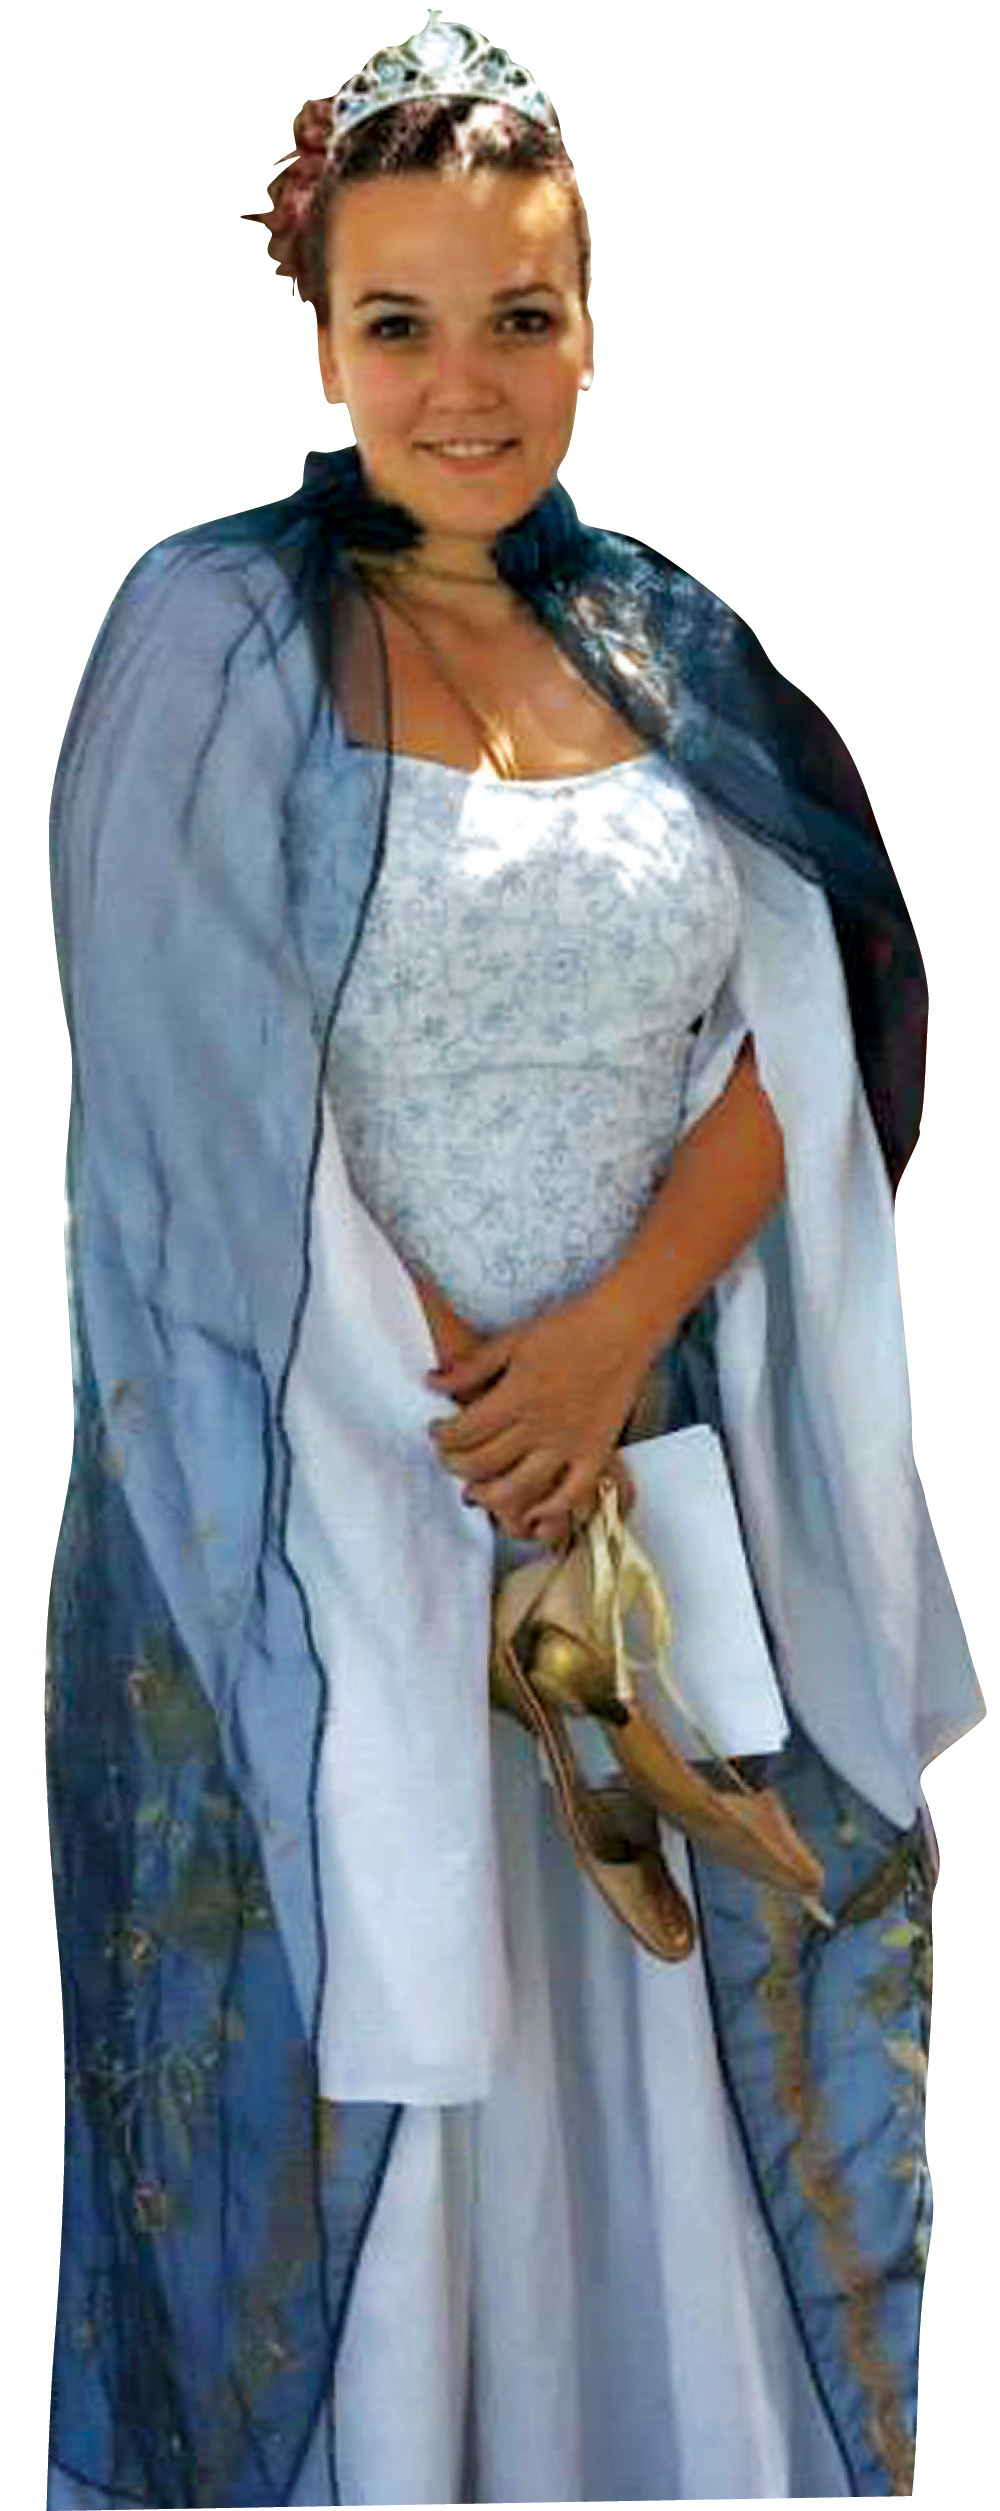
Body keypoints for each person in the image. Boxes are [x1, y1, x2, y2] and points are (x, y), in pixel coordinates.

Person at [44, 12, 986, 2504]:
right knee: (377, 2109)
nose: (463, 384)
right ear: (319, 337)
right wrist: (474, 1429)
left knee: (654, 2112)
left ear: (592, 325)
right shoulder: (215, 642)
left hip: (634, 1506)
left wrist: (608, 1351)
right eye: (401, 322)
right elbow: (190, 1107)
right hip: (330, 1510)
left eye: (520, 316)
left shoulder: (667, 648)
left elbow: (812, 1018)